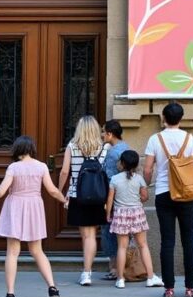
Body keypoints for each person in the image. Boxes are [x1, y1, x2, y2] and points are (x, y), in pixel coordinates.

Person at [0, 135, 65, 297]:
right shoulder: (41, 167)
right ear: (31, 149)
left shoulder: (13, 167)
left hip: (15, 206)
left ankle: (10, 293)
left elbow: (1, 192)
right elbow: (52, 190)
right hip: (34, 206)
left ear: (17, 149)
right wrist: (64, 200)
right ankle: (52, 287)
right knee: (37, 250)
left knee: (12, 252)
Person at [144, 102, 193, 297]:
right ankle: (189, 289)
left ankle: (168, 289)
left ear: (164, 117)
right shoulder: (188, 138)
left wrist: (147, 183)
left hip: (163, 193)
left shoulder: (155, 139)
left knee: (167, 241)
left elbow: (148, 169)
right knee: (188, 240)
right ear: (181, 118)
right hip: (186, 194)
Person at [58, 115, 109, 286]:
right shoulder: (103, 147)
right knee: (92, 235)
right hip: (98, 195)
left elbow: (65, 171)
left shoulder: (72, 146)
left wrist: (60, 191)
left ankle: (86, 272)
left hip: (78, 195)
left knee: (85, 235)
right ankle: (87, 272)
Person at [105, 150, 162, 288]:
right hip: (137, 213)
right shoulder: (139, 179)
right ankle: (150, 277)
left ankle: (120, 279)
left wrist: (108, 214)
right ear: (136, 164)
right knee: (143, 245)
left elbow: (110, 199)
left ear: (122, 163)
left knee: (122, 247)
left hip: (120, 214)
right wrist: (137, 199)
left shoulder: (115, 179)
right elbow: (145, 197)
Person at [100, 119, 129, 282]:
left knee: (109, 231)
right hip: (127, 198)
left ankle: (114, 267)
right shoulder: (126, 147)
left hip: (115, 198)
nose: (103, 135)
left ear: (110, 134)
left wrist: (107, 203)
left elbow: (110, 178)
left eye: (104, 132)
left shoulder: (112, 153)